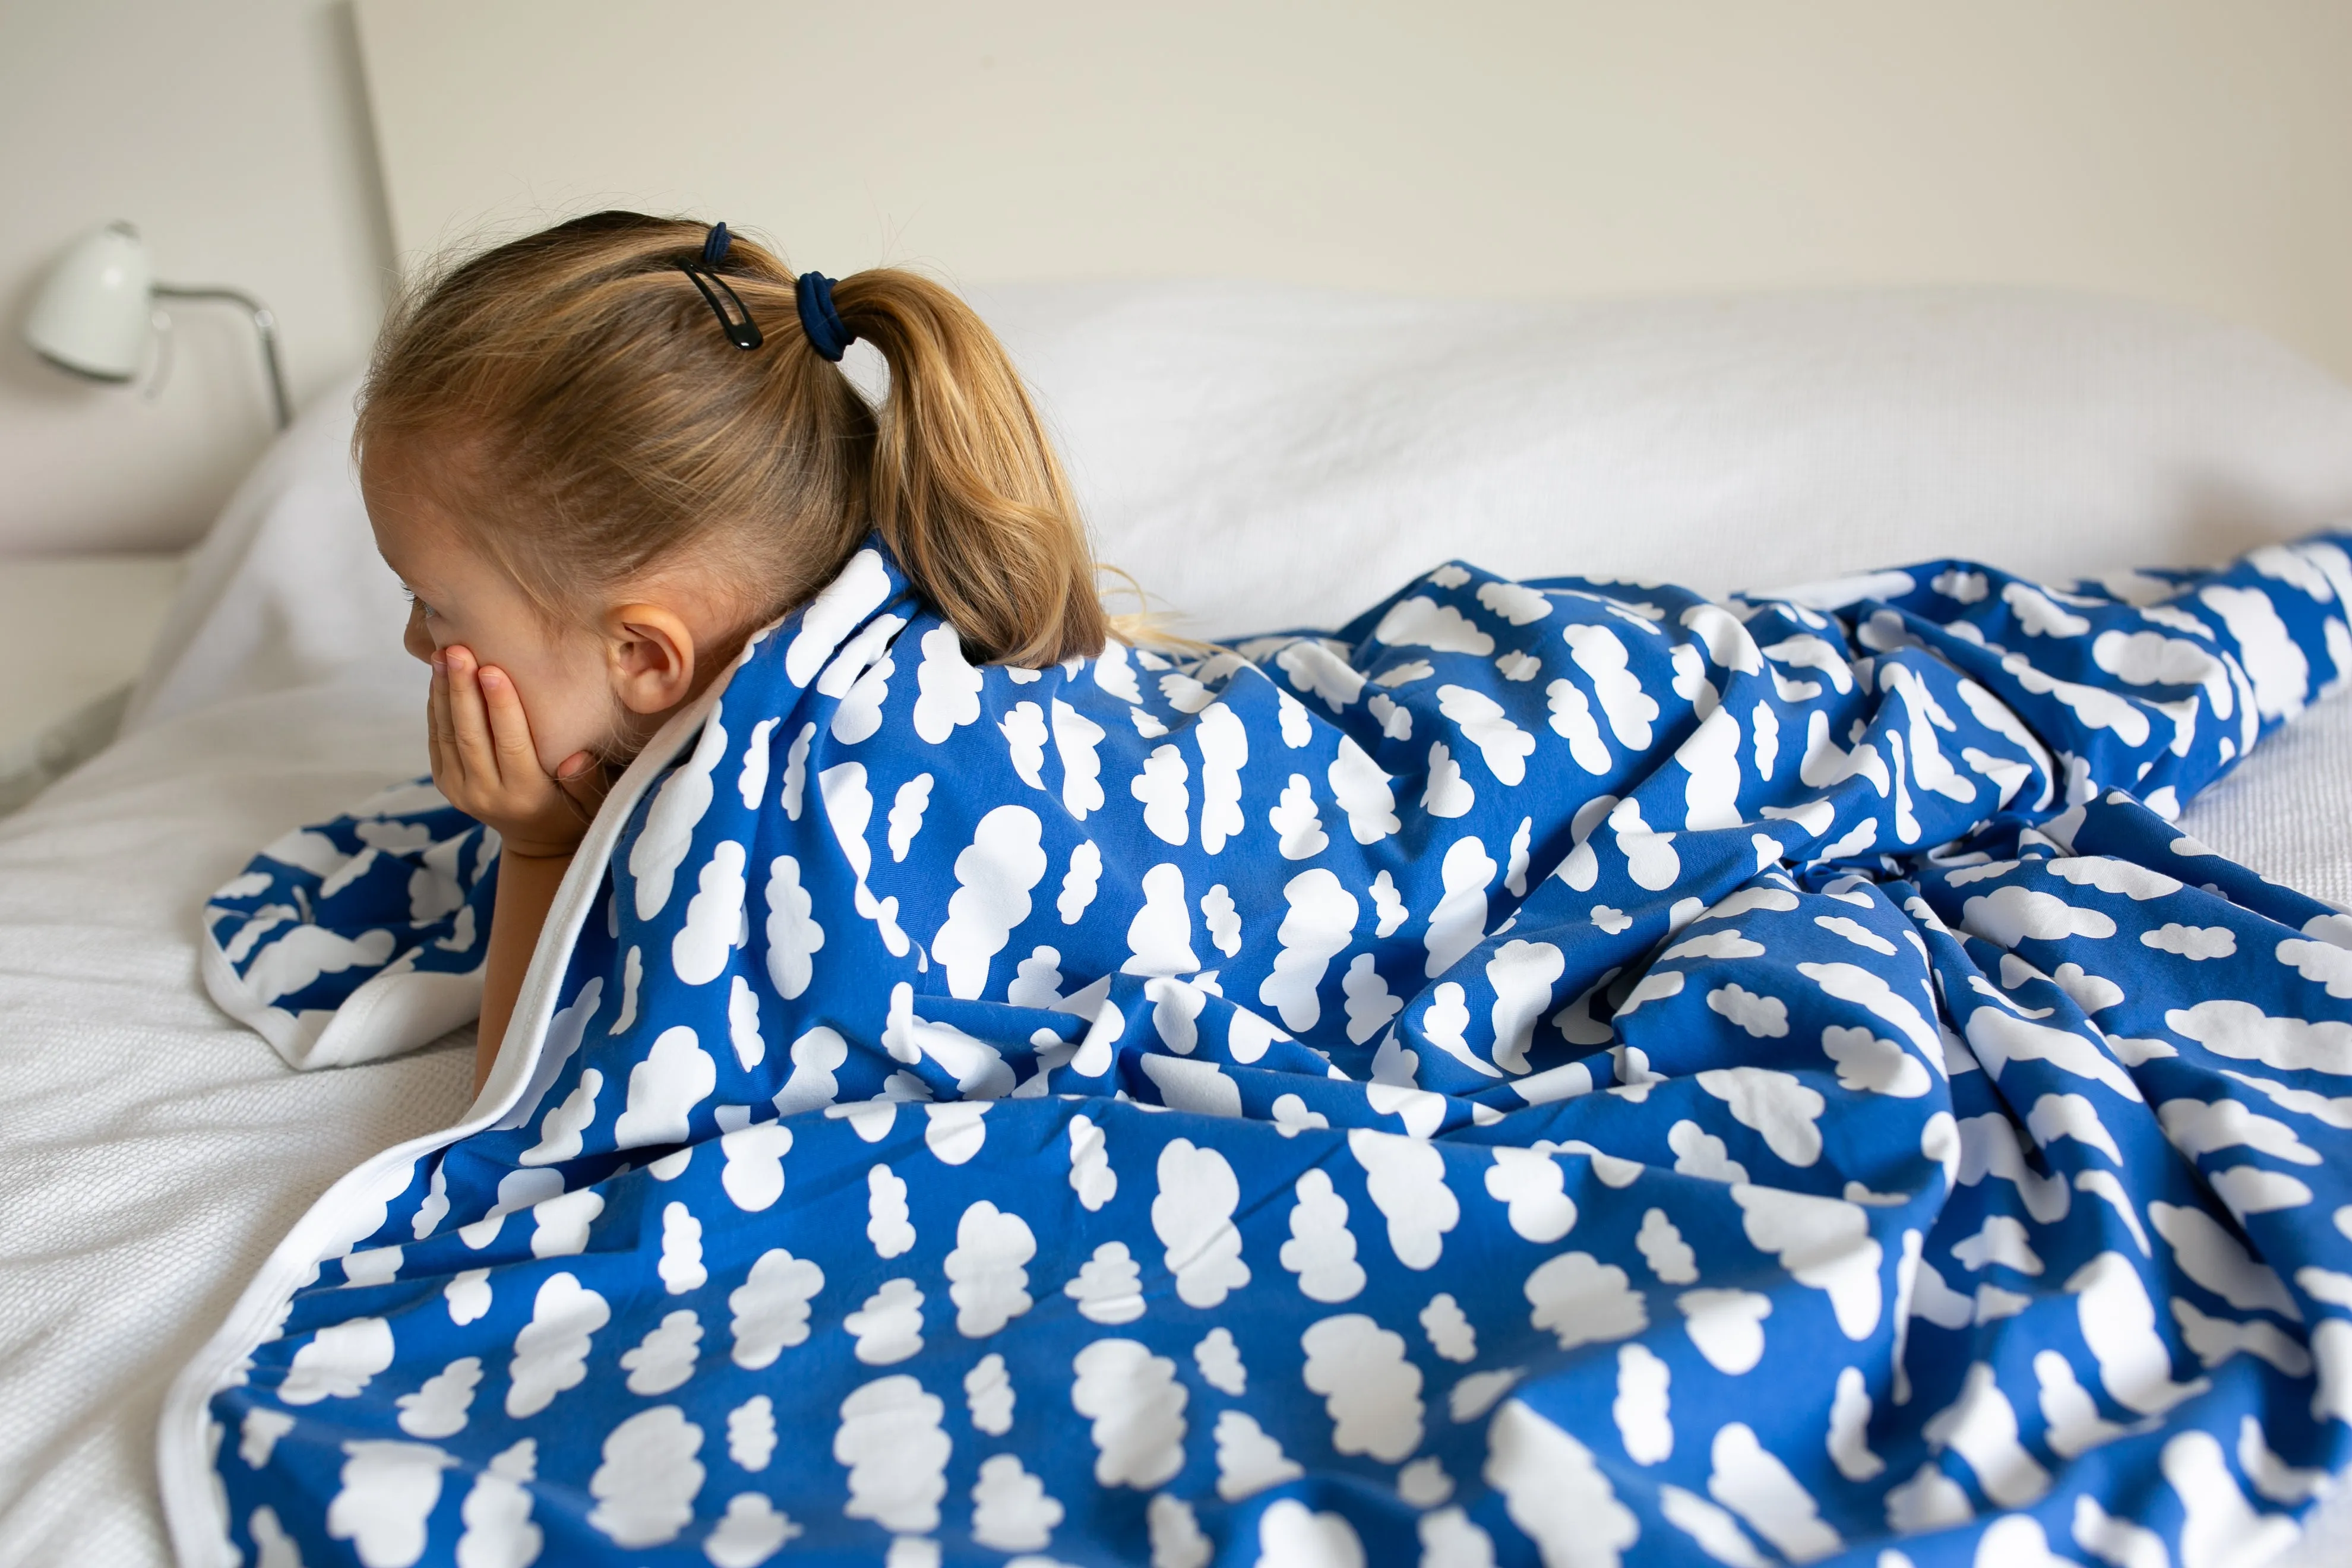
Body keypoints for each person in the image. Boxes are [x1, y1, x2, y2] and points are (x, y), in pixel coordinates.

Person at [357, 212, 1108, 1088]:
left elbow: (527, 1099)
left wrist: (536, 848)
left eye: (432, 605)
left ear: (642, 657)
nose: (415, 643)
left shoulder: (771, 832)